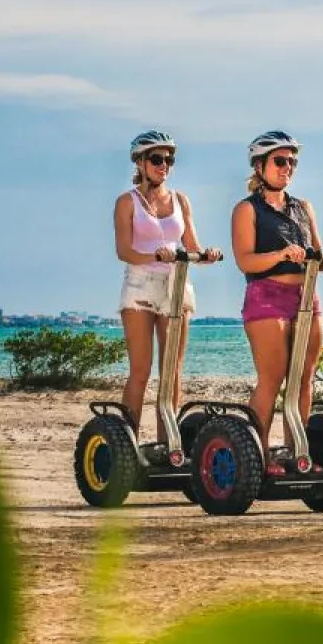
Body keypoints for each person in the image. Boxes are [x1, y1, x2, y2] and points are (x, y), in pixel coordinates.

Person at [231, 131, 323, 471]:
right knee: (271, 379)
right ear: (259, 166)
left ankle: (296, 451)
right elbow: (245, 261)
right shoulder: (247, 210)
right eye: (280, 161)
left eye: (292, 162)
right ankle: (256, 455)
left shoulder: (303, 208)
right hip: (266, 297)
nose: (287, 167)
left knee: (305, 378)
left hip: (306, 296)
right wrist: (281, 254)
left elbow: (316, 256)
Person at [112, 130, 205, 443]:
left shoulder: (181, 200)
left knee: (172, 371)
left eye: (169, 159)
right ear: (140, 162)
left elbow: (191, 245)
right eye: (156, 158)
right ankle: (128, 444)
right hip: (141, 285)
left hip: (176, 284)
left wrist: (207, 254)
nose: (164, 164)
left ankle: (170, 444)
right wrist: (154, 254)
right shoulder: (127, 202)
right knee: (141, 370)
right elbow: (124, 250)